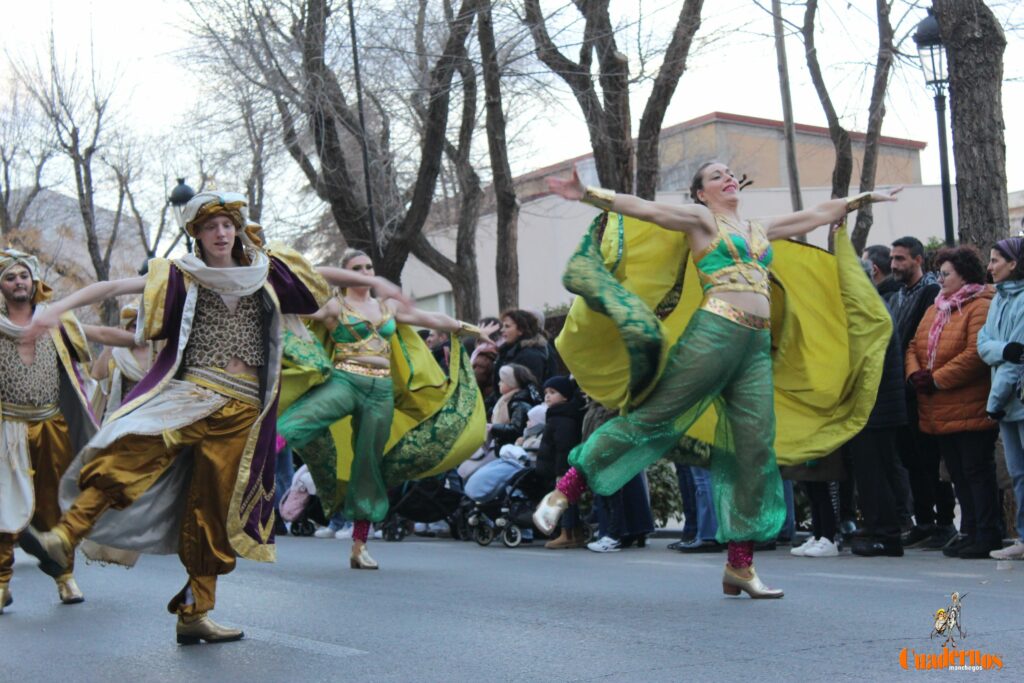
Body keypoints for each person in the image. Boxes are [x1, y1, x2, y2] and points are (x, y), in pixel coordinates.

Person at [17, 192, 403, 643]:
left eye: (226, 225)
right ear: (196, 235)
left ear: (237, 230)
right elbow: (115, 287)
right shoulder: (181, 274)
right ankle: (64, 536)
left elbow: (320, 276)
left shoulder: (266, 271)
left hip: (241, 409)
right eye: (209, 226)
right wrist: (56, 310)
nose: (221, 233)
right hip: (189, 393)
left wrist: (382, 287)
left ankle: (195, 612)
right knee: (130, 449)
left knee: (212, 509)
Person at [534, 162, 899, 598]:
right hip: (714, 333)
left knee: (754, 450)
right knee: (653, 418)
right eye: (715, 176)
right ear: (701, 194)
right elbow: (644, 210)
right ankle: (564, 491)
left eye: (730, 173)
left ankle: (740, 567)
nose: (727, 178)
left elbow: (814, 214)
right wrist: (588, 193)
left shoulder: (758, 228)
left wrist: (859, 201)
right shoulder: (701, 220)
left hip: (755, 348)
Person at [276, 248, 478, 571]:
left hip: (380, 390)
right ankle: (278, 470)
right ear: (347, 274)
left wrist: (463, 326)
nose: (366, 272)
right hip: (344, 381)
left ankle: (360, 545)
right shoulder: (333, 307)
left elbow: (429, 318)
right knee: (296, 422)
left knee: (368, 467)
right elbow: (311, 279)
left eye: (369, 266)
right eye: (358, 268)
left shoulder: (388, 308)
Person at [0, 249, 137, 614]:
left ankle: (65, 577)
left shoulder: (55, 321)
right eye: (10, 277)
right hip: (6, 428)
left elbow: (102, 332)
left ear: (33, 282)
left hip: (50, 426)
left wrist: (142, 341)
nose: (18, 282)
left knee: (54, 504)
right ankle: (1, 582)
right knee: (4, 505)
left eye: (23, 276)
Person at [906, 246, 999, 559]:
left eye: (946, 274)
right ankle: (968, 531)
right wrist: (915, 374)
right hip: (939, 408)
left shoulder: (980, 305)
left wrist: (935, 379)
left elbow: (975, 354)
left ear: (964, 275)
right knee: (958, 473)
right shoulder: (937, 307)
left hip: (970, 404)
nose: (940, 279)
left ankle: (987, 533)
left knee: (976, 471)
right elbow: (913, 345)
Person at [889, 236, 956, 551]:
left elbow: (921, 340)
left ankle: (944, 522)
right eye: (892, 258)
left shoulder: (931, 293)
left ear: (917, 259)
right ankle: (924, 521)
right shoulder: (899, 294)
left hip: (922, 390)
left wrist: (915, 375)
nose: (894, 265)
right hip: (902, 388)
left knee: (930, 460)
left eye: (900, 259)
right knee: (912, 459)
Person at [978, 237, 1024, 561]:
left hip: (1013, 398)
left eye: (996, 260)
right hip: (1006, 402)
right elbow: (984, 344)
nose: (990, 266)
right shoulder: (997, 299)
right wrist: (1001, 349)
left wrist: (994, 402)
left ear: (1014, 263)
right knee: (1018, 474)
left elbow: (1016, 359)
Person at [536, 375, 586, 549]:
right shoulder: (557, 414)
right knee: (567, 500)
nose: (547, 396)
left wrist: (561, 472)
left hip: (563, 469)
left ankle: (568, 533)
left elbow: (564, 447)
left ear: (565, 396)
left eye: (553, 392)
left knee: (565, 502)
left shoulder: (564, 417)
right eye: (545, 393)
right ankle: (574, 532)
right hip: (559, 468)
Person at [90, 302, 155, 422]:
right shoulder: (117, 352)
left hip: (150, 415)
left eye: (141, 326)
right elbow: (97, 374)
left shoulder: (156, 351)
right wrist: (111, 344)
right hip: (122, 417)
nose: (137, 331)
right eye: (134, 326)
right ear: (126, 327)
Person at [493, 309, 556, 386]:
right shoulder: (506, 352)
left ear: (520, 330)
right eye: (503, 326)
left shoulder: (531, 356)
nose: (502, 330)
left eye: (507, 326)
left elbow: (529, 389)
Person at [489, 364, 543, 450]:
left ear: (512, 383)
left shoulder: (519, 404)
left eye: (502, 381)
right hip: (503, 446)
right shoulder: (504, 400)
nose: (499, 383)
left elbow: (516, 430)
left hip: (512, 449)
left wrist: (492, 427)